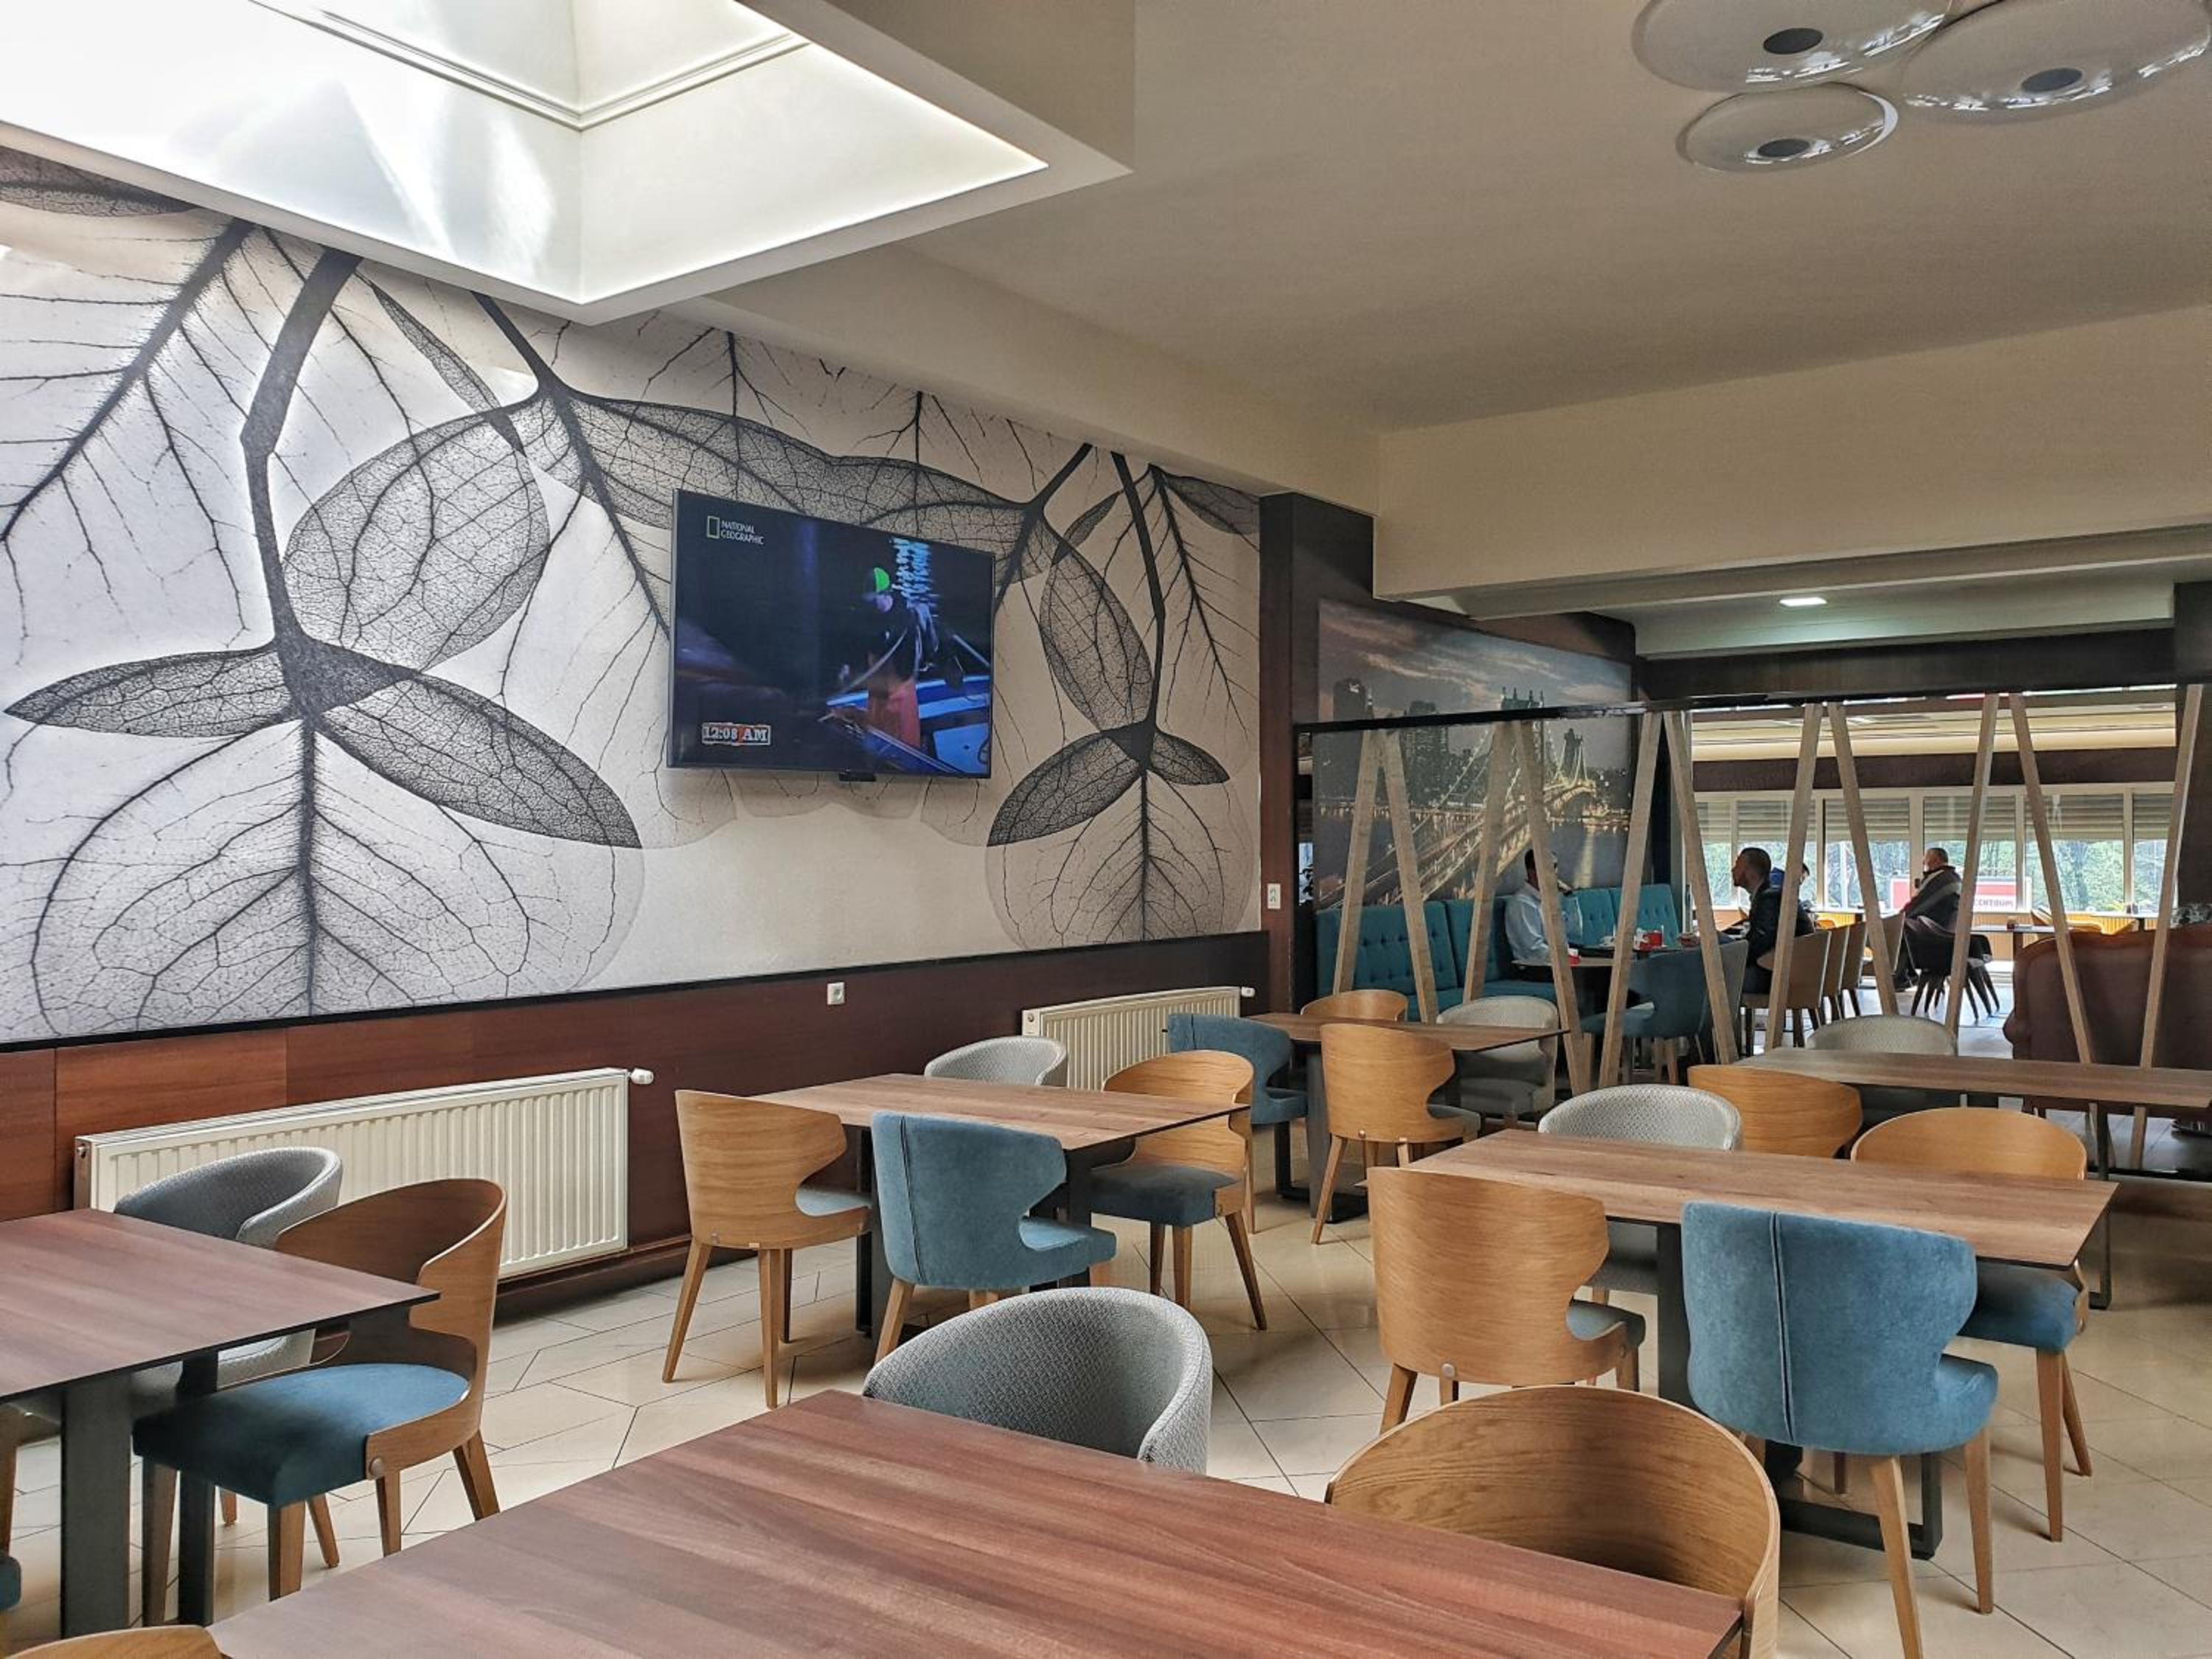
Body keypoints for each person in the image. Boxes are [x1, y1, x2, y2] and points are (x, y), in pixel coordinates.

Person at [1725, 846, 1815, 993]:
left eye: (1737, 865)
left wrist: (1724, 955)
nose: (1732, 870)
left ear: (1751, 871)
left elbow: (1760, 944)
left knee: (1712, 977)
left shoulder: (1769, 899)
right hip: (1791, 973)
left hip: (1779, 978)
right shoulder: (1771, 895)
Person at [1503, 848, 1565, 981]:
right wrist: (1565, 958)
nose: (1555, 873)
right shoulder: (1521, 903)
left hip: (1555, 963)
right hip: (1535, 969)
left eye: (1555, 867)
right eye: (1550, 867)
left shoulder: (1549, 900)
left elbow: (1575, 933)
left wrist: (1571, 897)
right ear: (1532, 872)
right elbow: (1534, 949)